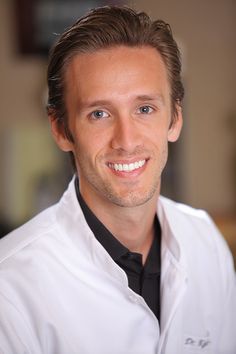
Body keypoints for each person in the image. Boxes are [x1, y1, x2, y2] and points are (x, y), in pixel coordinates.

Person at [0, 6, 235, 354]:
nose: (126, 140)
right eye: (99, 113)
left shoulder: (206, 242)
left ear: (174, 120)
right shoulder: (11, 286)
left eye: (144, 109)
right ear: (62, 130)